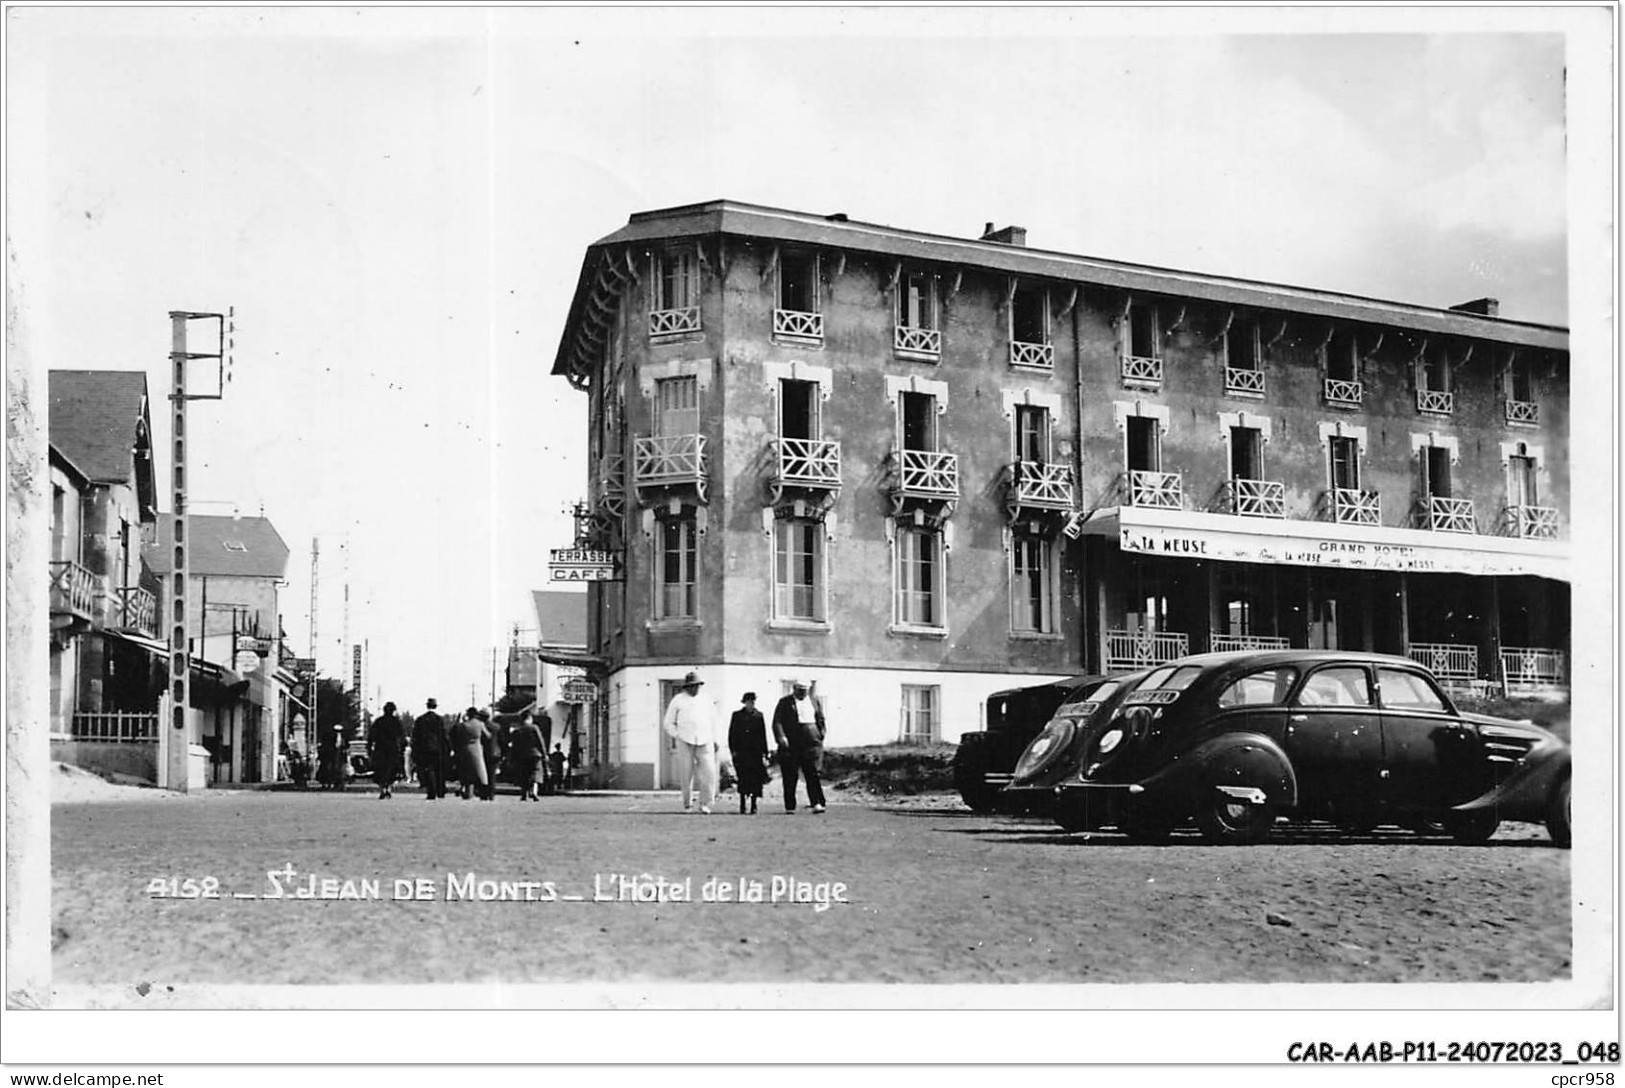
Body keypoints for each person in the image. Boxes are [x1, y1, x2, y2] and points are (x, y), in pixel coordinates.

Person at [661, 670, 720, 814]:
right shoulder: (678, 700)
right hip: (685, 740)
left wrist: (716, 739)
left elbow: (715, 721)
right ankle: (687, 804)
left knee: (708, 773)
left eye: (697, 686)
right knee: (686, 774)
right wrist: (677, 735)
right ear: (686, 687)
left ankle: (705, 803)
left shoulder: (706, 699)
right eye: (692, 686)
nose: (695, 689)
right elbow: (668, 722)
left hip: (705, 739)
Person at [772, 678, 827, 814]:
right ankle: (790, 806)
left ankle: (817, 802)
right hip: (792, 743)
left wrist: (821, 734)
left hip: (810, 742)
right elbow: (777, 722)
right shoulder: (785, 703)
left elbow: (820, 719)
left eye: (805, 691)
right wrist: (781, 737)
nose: (802, 693)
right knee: (790, 774)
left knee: (812, 773)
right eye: (800, 690)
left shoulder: (814, 701)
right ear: (794, 689)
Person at [728, 692, 770, 815]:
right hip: (742, 752)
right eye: (749, 701)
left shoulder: (758, 716)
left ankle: (754, 804)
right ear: (744, 702)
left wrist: (765, 753)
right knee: (743, 778)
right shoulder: (737, 716)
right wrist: (733, 750)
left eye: (753, 701)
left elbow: (763, 735)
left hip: (755, 753)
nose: (751, 704)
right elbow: (732, 734)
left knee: (755, 780)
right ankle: (742, 804)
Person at [452, 707, 494, 801]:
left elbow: (457, 736)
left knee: (467, 772)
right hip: (477, 748)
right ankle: (484, 793)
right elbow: (488, 736)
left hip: (465, 748)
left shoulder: (464, 725)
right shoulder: (480, 724)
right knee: (480, 772)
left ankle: (468, 792)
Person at [368, 702, 407, 800]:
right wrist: (402, 748)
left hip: (380, 749)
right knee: (391, 770)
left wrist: (369, 749)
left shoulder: (378, 721)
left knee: (380, 770)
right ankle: (388, 789)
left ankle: (382, 790)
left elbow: (371, 736)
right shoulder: (396, 722)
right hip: (392, 750)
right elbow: (402, 737)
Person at [412, 699, 448, 801]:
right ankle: (439, 790)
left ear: (427, 706)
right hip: (437, 748)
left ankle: (431, 791)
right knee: (438, 770)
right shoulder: (439, 719)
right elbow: (443, 735)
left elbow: (416, 736)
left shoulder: (420, 719)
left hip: (424, 749)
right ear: (435, 706)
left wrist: (416, 750)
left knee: (428, 769)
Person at [507, 710, 546, 801]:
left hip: (522, 755)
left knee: (524, 774)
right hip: (535, 754)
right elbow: (540, 742)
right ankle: (534, 791)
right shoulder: (534, 728)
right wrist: (544, 754)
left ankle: (524, 794)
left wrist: (512, 757)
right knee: (535, 773)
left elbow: (514, 745)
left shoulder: (517, 730)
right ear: (530, 718)